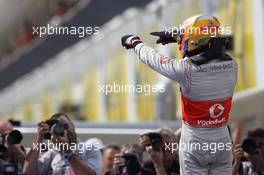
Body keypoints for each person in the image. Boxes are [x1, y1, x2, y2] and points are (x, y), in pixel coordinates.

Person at [121, 14, 237, 175]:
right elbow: (207, 46)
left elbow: (153, 59)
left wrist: (135, 43)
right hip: (222, 139)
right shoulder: (232, 65)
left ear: (192, 39)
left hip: (195, 141)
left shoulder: (185, 70)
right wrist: (178, 35)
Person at [23, 113, 102, 175]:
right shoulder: (52, 155)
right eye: (59, 129)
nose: (65, 132)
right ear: (51, 133)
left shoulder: (89, 148)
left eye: (66, 126)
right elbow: (28, 172)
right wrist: (39, 139)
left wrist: (68, 152)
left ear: (73, 125)